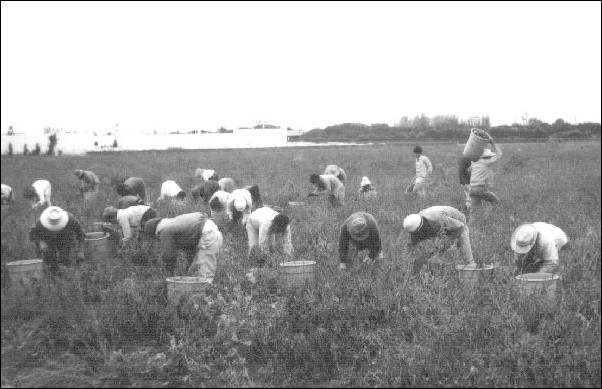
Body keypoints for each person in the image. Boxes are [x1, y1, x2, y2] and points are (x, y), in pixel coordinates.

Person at [143, 212, 223, 282]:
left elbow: (169, 255)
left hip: (208, 235)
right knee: (194, 274)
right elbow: (190, 249)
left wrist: (170, 276)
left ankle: (203, 298)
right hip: (211, 233)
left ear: (152, 232)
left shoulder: (164, 230)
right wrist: (187, 269)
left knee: (205, 278)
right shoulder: (171, 223)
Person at [402, 206, 474, 273]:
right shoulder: (414, 223)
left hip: (458, 221)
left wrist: (447, 243)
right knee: (438, 248)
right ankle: (442, 265)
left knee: (461, 236)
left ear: (423, 227)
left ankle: (470, 265)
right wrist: (408, 262)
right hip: (438, 223)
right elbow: (412, 244)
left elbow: (461, 227)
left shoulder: (438, 219)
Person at [28, 206, 85, 275]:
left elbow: (81, 234)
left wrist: (81, 251)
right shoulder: (40, 222)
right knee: (50, 261)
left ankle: (66, 276)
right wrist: (40, 242)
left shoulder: (70, 219)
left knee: (65, 259)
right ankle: (53, 275)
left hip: (65, 239)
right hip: (48, 240)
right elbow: (32, 235)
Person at [469, 134, 502, 208]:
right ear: (487, 156)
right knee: (496, 201)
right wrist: (493, 143)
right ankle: (489, 217)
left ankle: (475, 219)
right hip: (480, 189)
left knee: (475, 210)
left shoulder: (474, 161)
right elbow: (499, 154)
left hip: (472, 189)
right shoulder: (487, 161)